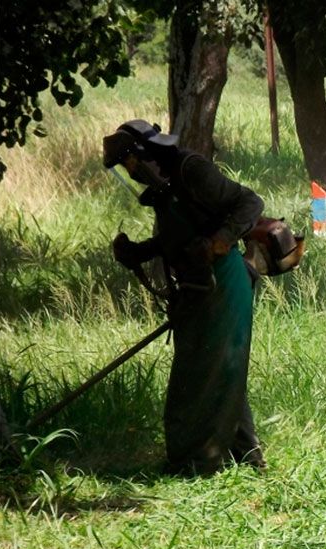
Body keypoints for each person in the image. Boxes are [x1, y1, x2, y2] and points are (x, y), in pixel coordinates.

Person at [102, 120, 267, 476]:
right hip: (195, 289)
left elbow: (249, 202)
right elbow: (177, 239)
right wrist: (138, 252)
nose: (129, 173)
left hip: (223, 283)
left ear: (142, 154)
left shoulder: (192, 170)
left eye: (127, 163)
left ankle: (195, 463)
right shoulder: (164, 190)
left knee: (203, 375)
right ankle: (246, 456)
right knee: (218, 369)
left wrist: (219, 241)